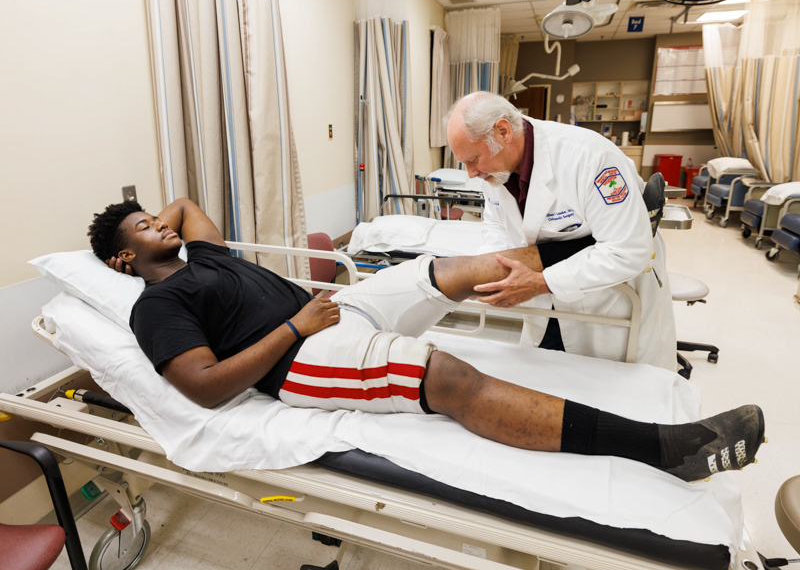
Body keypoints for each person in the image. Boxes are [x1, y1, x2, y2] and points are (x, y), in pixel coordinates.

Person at [87, 198, 765, 482]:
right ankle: (665, 450)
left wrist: (143, 222)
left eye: (153, 219)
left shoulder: (202, 258)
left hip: (339, 307)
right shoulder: (159, 304)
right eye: (142, 230)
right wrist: (297, 326)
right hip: (303, 354)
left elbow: (184, 207)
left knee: (452, 271)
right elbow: (204, 388)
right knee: (446, 376)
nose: (160, 224)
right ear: (122, 262)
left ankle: (597, 243)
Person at [446, 92, 676, 370]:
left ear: (503, 132)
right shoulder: (495, 168)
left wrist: (541, 283)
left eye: (473, 160)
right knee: (546, 377)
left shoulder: (591, 159)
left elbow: (629, 251)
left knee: (611, 394)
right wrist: (486, 271)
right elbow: (497, 224)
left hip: (608, 301)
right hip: (548, 303)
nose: (470, 173)